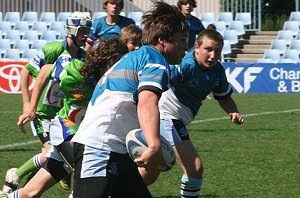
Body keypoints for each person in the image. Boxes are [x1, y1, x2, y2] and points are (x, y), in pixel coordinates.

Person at [71, 2, 188, 197]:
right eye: (182, 39)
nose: (186, 46)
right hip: (100, 149)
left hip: (115, 150)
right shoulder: (154, 58)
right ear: (162, 39)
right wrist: (154, 144)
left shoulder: (136, 56)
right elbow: (147, 101)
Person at [0, 36, 128, 198]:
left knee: (30, 193)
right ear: (109, 59)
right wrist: (31, 106)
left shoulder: (117, 80)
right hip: (67, 132)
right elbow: (45, 70)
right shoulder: (76, 71)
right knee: (93, 178)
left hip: (85, 137)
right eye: (120, 61)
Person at [139, 29, 245, 198]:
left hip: (176, 120)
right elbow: (161, 76)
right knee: (194, 168)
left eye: (217, 51)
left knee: (151, 171)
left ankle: (114, 190)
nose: (212, 55)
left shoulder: (217, 71)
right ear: (196, 47)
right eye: (208, 49)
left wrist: (233, 111)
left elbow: (224, 98)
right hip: (166, 116)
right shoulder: (186, 65)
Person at [1, 11, 93, 194]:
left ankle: (20, 182)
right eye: (82, 30)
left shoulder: (84, 56)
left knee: (53, 156)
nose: (86, 34)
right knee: (49, 153)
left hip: (64, 116)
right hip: (44, 113)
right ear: (71, 30)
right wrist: (29, 105)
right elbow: (26, 72)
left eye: (88, 30)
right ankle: (18, 179)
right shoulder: (53, 49)